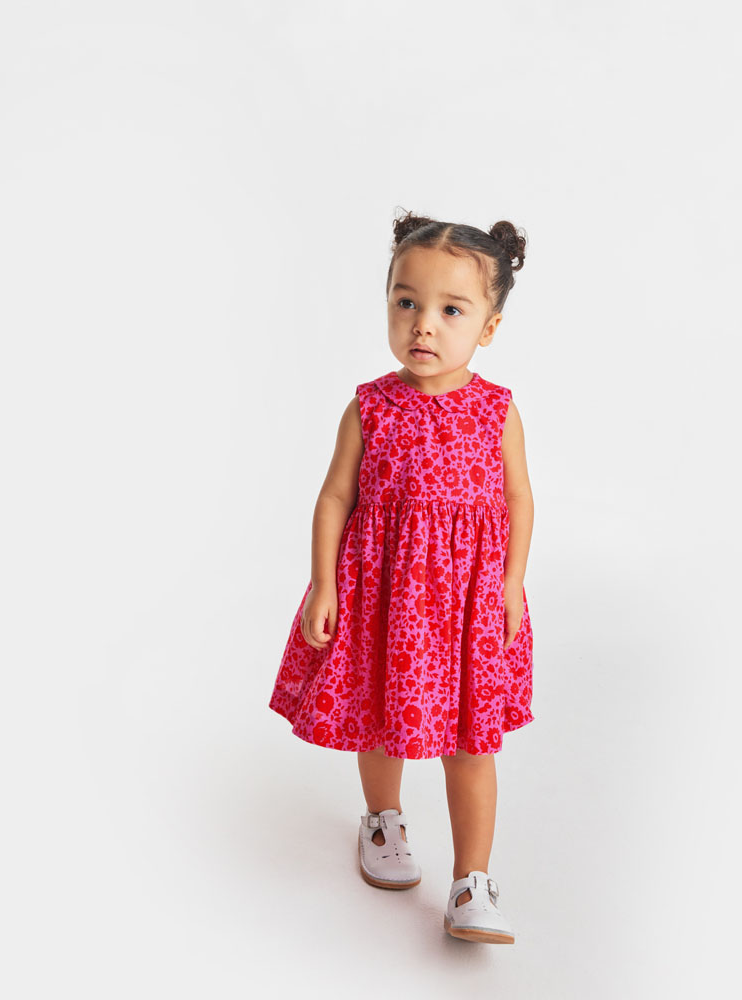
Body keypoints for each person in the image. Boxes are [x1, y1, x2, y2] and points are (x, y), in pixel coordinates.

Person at [268, 209, 535, 945]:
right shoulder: (370, 406)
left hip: (467, 604)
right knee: (380, 713)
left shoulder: (497, 412)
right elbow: (335, 497)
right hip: (385, 597)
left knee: (471, 742)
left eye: (451, 310)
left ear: (488, 327)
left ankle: (472, 882)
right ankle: (382, 821)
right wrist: (324, 584)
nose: (423, 325)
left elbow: (518, 498)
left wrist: (511, 583)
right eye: (407, 301)